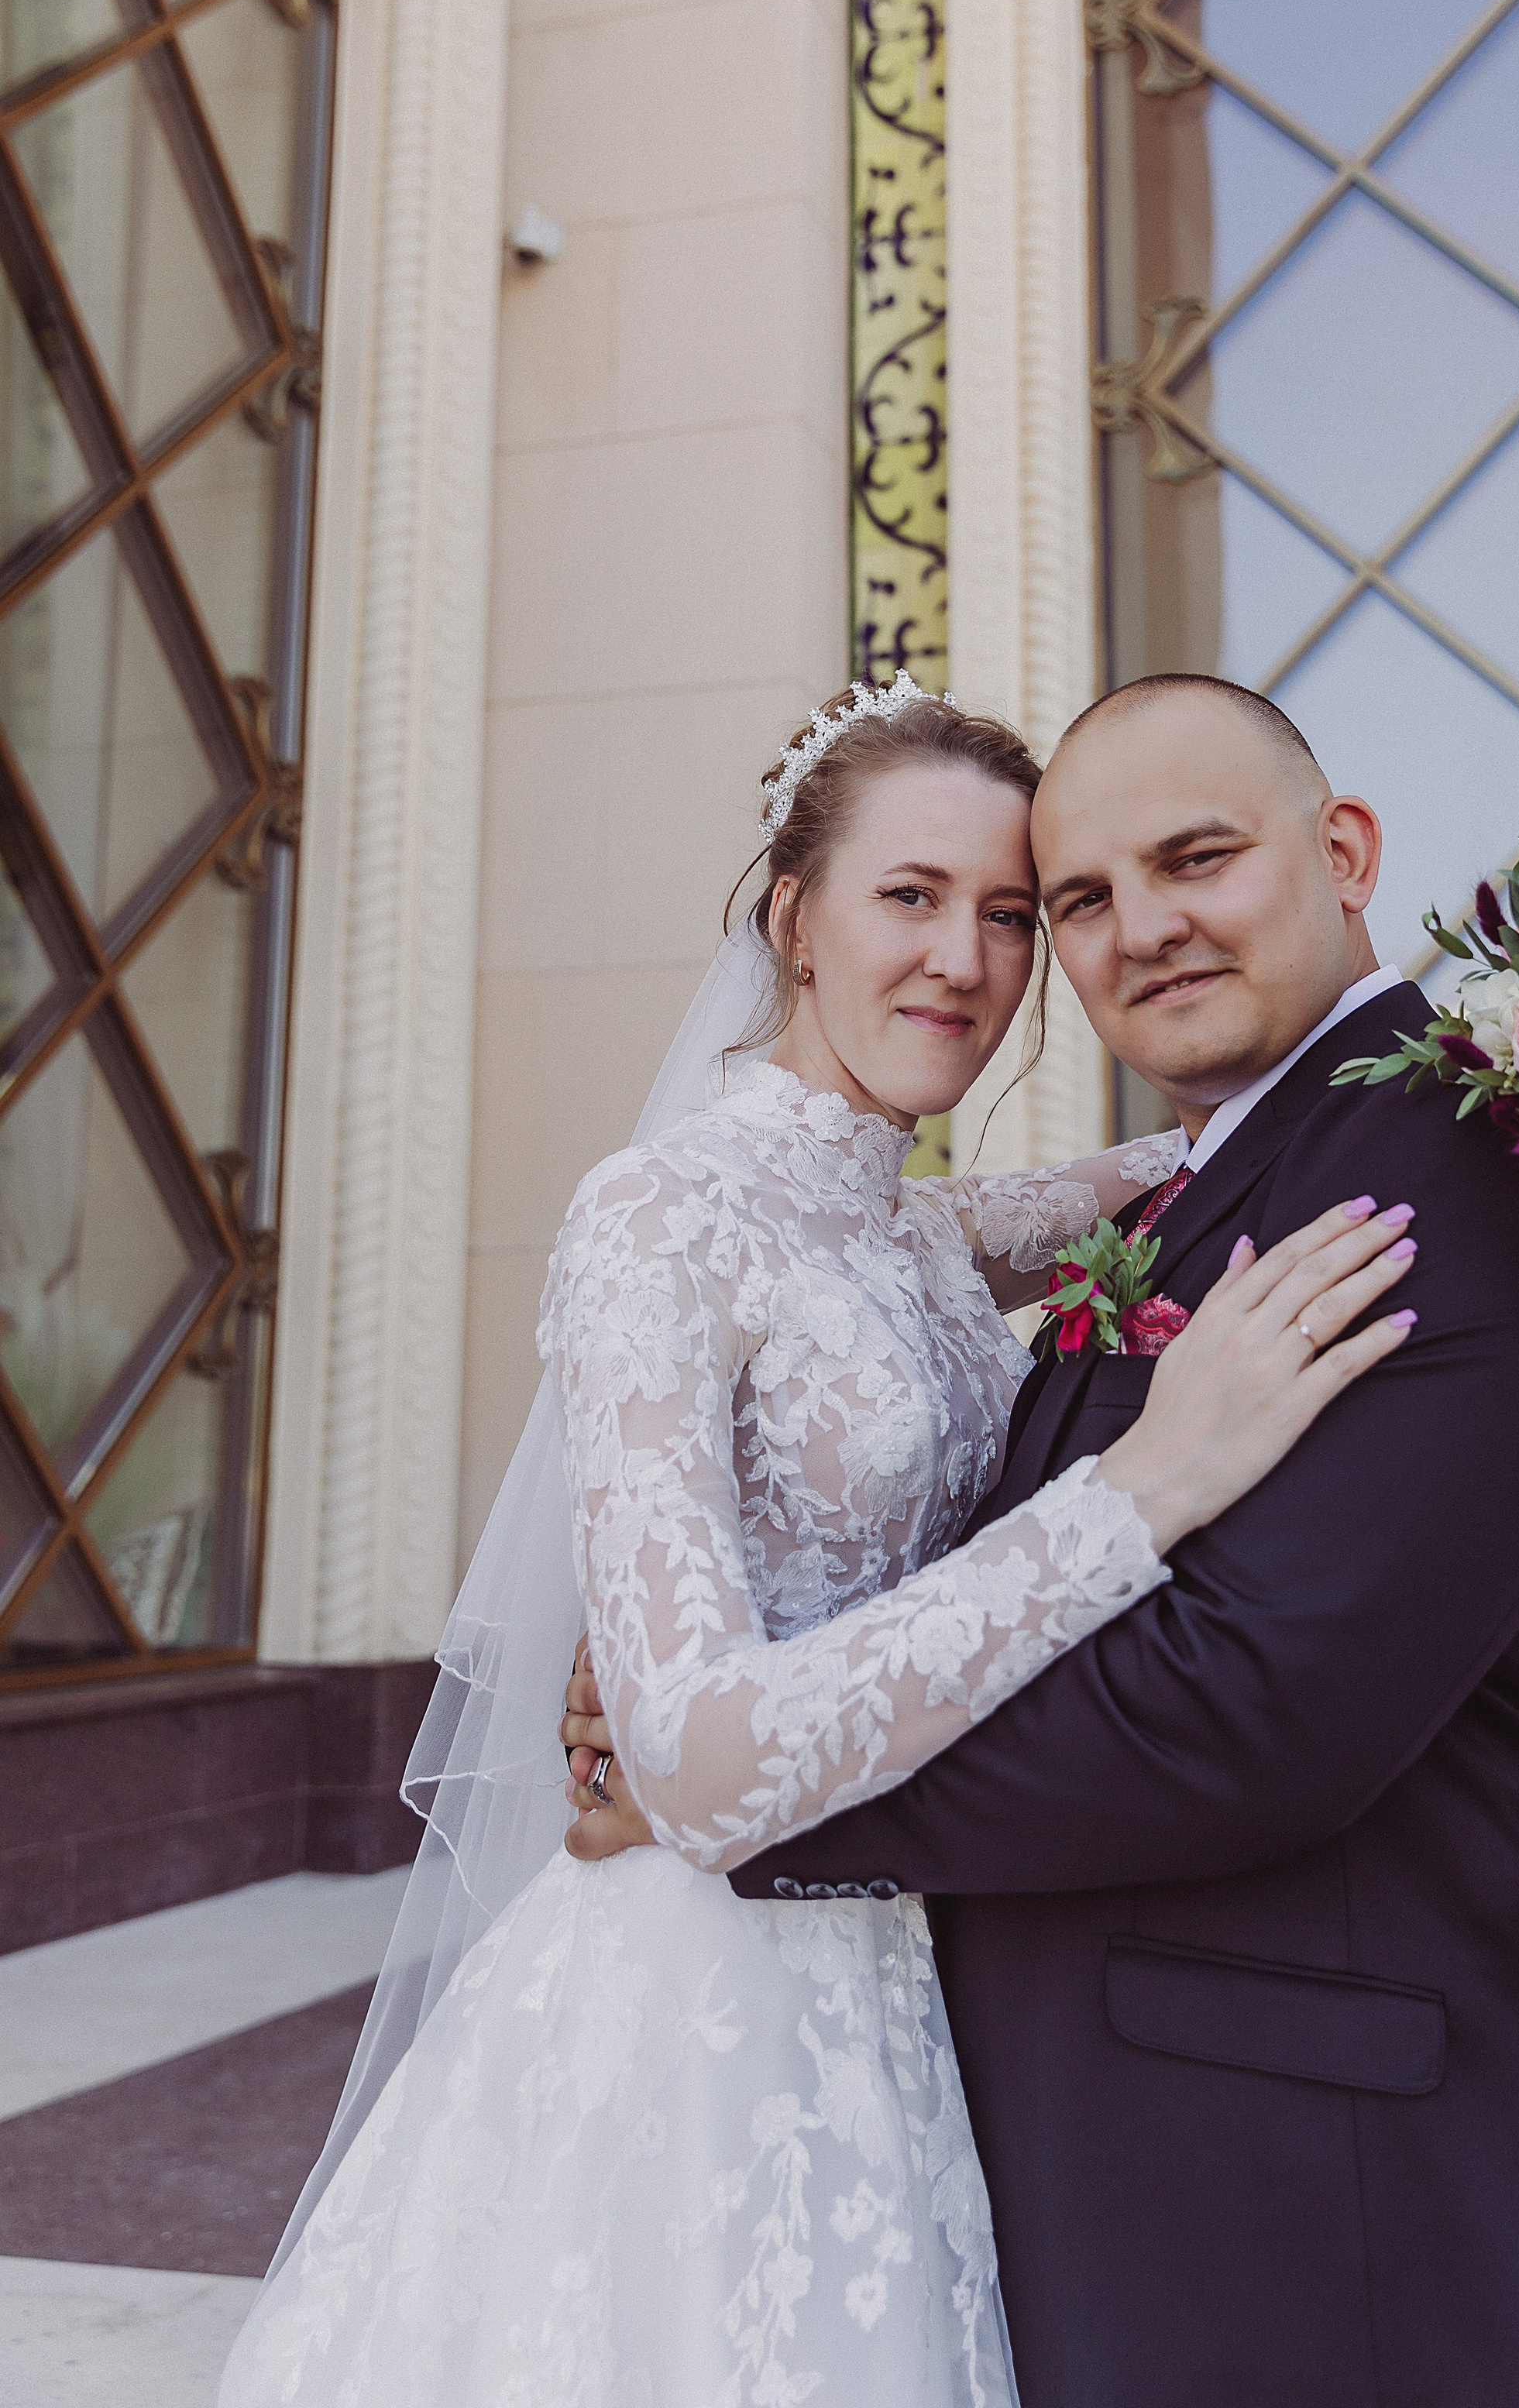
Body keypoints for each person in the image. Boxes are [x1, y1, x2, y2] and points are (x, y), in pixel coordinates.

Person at [218, 679, 1414, 2408]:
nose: (964, 961)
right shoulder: (658, 1215)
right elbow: (692, 1760)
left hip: (920, 1970)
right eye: (908, 896)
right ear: (794, 918)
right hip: (699, 2011)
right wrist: (1143, 1490)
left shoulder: (923, 1233)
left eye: (1012, 914)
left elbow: (1218, 1140)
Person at [572, 673, 1519, 2408]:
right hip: (992, 2107)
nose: (1129, 933)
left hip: (1344, 2215)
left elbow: (1242, 1709)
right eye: (1078, 900)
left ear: (1345, 854)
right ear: (792, 923)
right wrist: (716, 1701)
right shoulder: (1205, 1170)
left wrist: (729, 1786)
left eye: (1192, 861)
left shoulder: (1462, 1175)